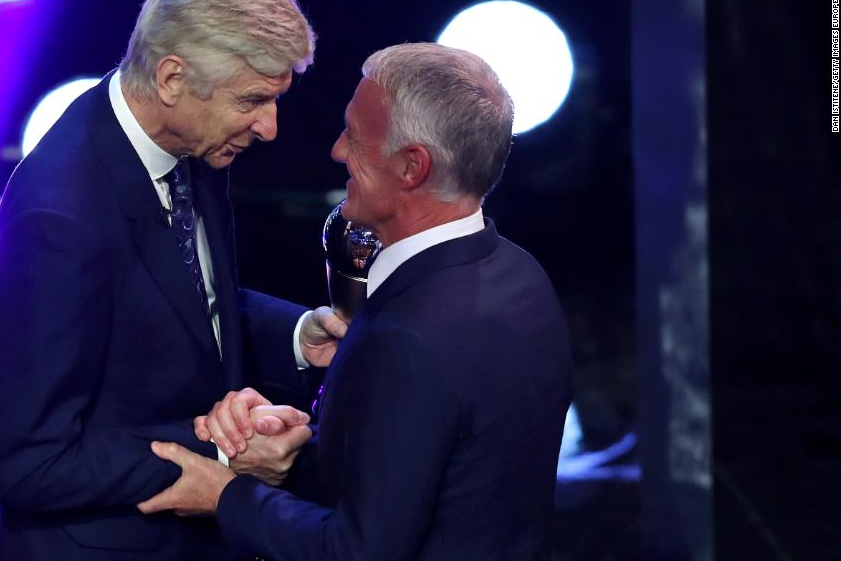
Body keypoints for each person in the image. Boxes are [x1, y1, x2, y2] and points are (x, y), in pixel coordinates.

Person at [137, 43, 573, 560]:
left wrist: (225, 495)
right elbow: (442, 467)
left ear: (412, 167)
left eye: (356, 137)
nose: (338, 150)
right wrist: (304, 448)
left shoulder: (409, 338)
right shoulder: (523, 275)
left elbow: (357, 552)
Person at [0, 0, 346, 559]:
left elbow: (176, 304)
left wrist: (296, 336)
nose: (269, 127)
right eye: (252, 100)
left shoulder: (188, 143)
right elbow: (26, 464)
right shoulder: (59, 216)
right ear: (173, 78)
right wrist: (225, 454)